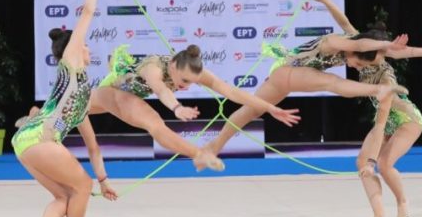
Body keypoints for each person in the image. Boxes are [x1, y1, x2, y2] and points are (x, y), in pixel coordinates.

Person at [306, 0, 422, 217]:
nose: (349, 63)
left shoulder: (385, 81)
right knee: (361, 163)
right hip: (387, 119)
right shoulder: (362, 48)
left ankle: (402, 201)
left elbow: (381, 122)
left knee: (383, 165)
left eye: (353, 62)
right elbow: (344, 22)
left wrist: (372, 161)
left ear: (367, 59)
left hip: (407, 119)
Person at [204, 0, 409, 158]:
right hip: (288, 71)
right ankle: (377, 90)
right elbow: (360, 45)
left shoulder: (353, 40)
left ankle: (215, 145)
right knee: (331, 82)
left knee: (251, 110)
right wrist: (387, 44)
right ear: (355, 51)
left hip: (286, 74)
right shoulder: (335, 42)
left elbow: (346, 22)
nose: (357, 68)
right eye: (359, 63)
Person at [11, 0, 118, 217]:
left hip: (25, 140)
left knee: (66, 195)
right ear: (75, 47)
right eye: (85, 45)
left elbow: (93, 147)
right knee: (81, 186)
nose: (89, 50)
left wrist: (104, 180)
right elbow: (87, 12)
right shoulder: (71, 63)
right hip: (42, 136)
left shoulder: (79, 100)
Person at [84, 43, 302, 170]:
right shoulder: (153, 68)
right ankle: (199, 154)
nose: (187, 86)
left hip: (124, 98)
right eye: (185, 81)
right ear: (172, 66)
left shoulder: (190, 70)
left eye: (192, 82)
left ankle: (199, 154)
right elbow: (161, 90)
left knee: (75, 112)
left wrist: (269, 107)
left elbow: (232, 92)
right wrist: (177, 108)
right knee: (154, 123)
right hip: (111, 92)